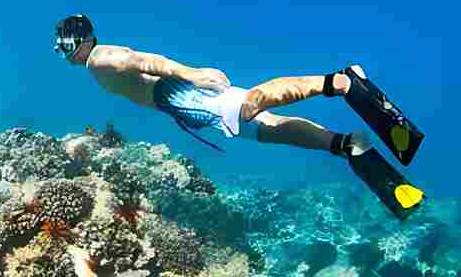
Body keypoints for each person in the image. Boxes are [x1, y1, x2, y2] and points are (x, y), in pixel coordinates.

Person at [54, 14, 425, 218]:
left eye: (63, 42)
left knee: (254, 103)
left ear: (81, 39)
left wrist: (190, 74)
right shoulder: (95, 62)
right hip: (182, 104)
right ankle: (344, 144)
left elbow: (141, 61)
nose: (60, 49)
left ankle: (341, 82)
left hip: (183, 95)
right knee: (269, 130)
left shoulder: (99, 59)